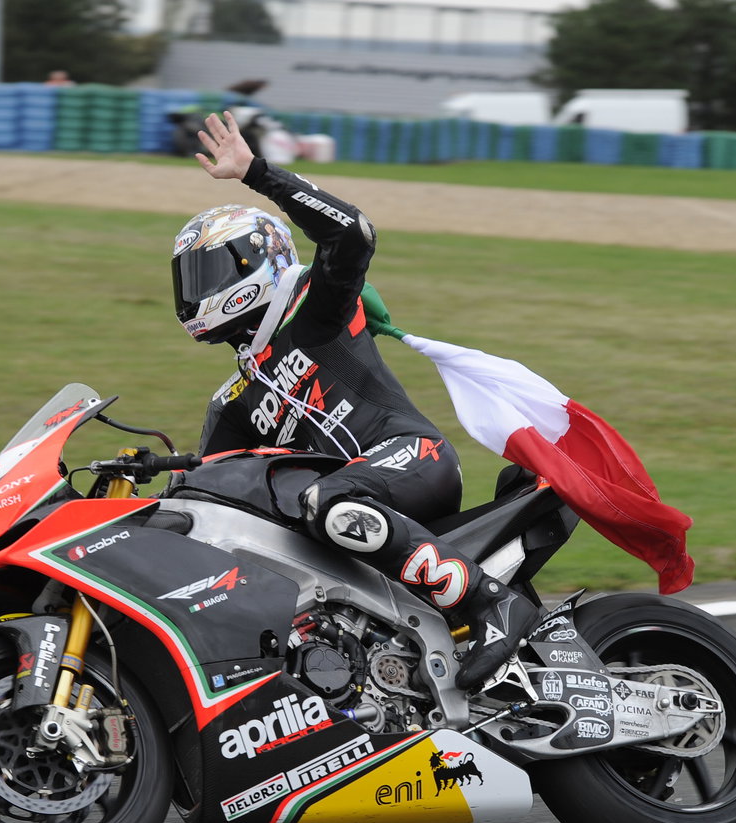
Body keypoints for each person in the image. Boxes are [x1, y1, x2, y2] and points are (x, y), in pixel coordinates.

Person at [172, 111, 542, 692]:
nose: (197, 290)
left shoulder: (314, 308)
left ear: (260, 260)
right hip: (347, 511)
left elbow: (352, 233)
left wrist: (257, 173)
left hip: (412, 457)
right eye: (189, 277)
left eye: (209, 271)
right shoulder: (233, 400)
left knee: (328, 499)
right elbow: (211, 494)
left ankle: (491, 603)